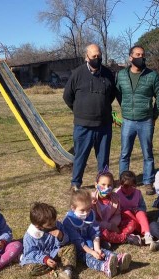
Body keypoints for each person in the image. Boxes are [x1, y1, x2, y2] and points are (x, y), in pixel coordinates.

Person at [63, 43, 116, 191]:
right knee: (81, 156)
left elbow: (111, 95)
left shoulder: (108, 73)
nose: (97, 58)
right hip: (83, 125)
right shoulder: (77, 73)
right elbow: (67, 96)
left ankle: (103, 184)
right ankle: (75, 183)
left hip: (104, 125)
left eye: (99, 56)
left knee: (103, 158)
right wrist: (80, 110)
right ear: (87, 57)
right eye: (94, 56)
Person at [116, 45, 159, 195]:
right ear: (130, 57)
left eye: (143, 55)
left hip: (146, 121)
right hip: (128, 121)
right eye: (137, 55)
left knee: (147, 154)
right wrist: (125, 107)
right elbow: (119, 94)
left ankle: (147, 181)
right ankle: (124, 182)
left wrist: (153, 115)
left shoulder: (152, 75)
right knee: (125, 153)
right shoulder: (121, 75)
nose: (141, 57)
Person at [62, 189, 132, 278]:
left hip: (90, 243)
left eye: (88, 209)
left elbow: (95, 232)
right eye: (82, 210)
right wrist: (92, 252)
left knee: (102, 251)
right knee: (89, 258)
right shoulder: (69, 221)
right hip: (78, 249)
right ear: (73, 208)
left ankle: (119, 259)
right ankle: (104, 267)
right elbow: (78, 241)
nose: (86, 213)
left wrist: (97, 249)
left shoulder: (90, 215)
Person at [20, 202, 76, 279]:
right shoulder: (30, 236)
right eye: (50, 224)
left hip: (55, 253)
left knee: (71, 247)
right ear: (38, 226)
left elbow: (67, 241)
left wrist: (61, 236)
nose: (54, 225)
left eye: (54, 221)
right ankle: (55, 274)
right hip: (41, 259)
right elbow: (30, 253)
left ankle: (67, 271)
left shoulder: (57, 225)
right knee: (30, 269)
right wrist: (45, 259)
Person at [92, 167, 140, 245]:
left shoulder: (115, 198)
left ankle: (113, 238)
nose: (106, 188)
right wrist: (109, 226)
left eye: (109, 185)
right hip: (100, 227)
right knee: (101, 232)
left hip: (113, 225)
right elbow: (92, 221)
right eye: (103, 185)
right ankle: (125, 238)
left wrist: (113, 224)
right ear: (96, 185)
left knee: (132, 223)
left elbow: (117, 214)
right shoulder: (91, 199)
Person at [115, 170, 152, 245]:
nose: (129, 189)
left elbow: (142, 206)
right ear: (121, 184)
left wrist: (139, 210)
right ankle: (139, 229)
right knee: (127, 212)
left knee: (140, 213)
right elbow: (115, 210)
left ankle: (147, 234)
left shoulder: (137, 193)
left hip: (137, 216)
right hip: (125, 220)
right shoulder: (117, 194)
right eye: (126, 186)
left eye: (132, 186)